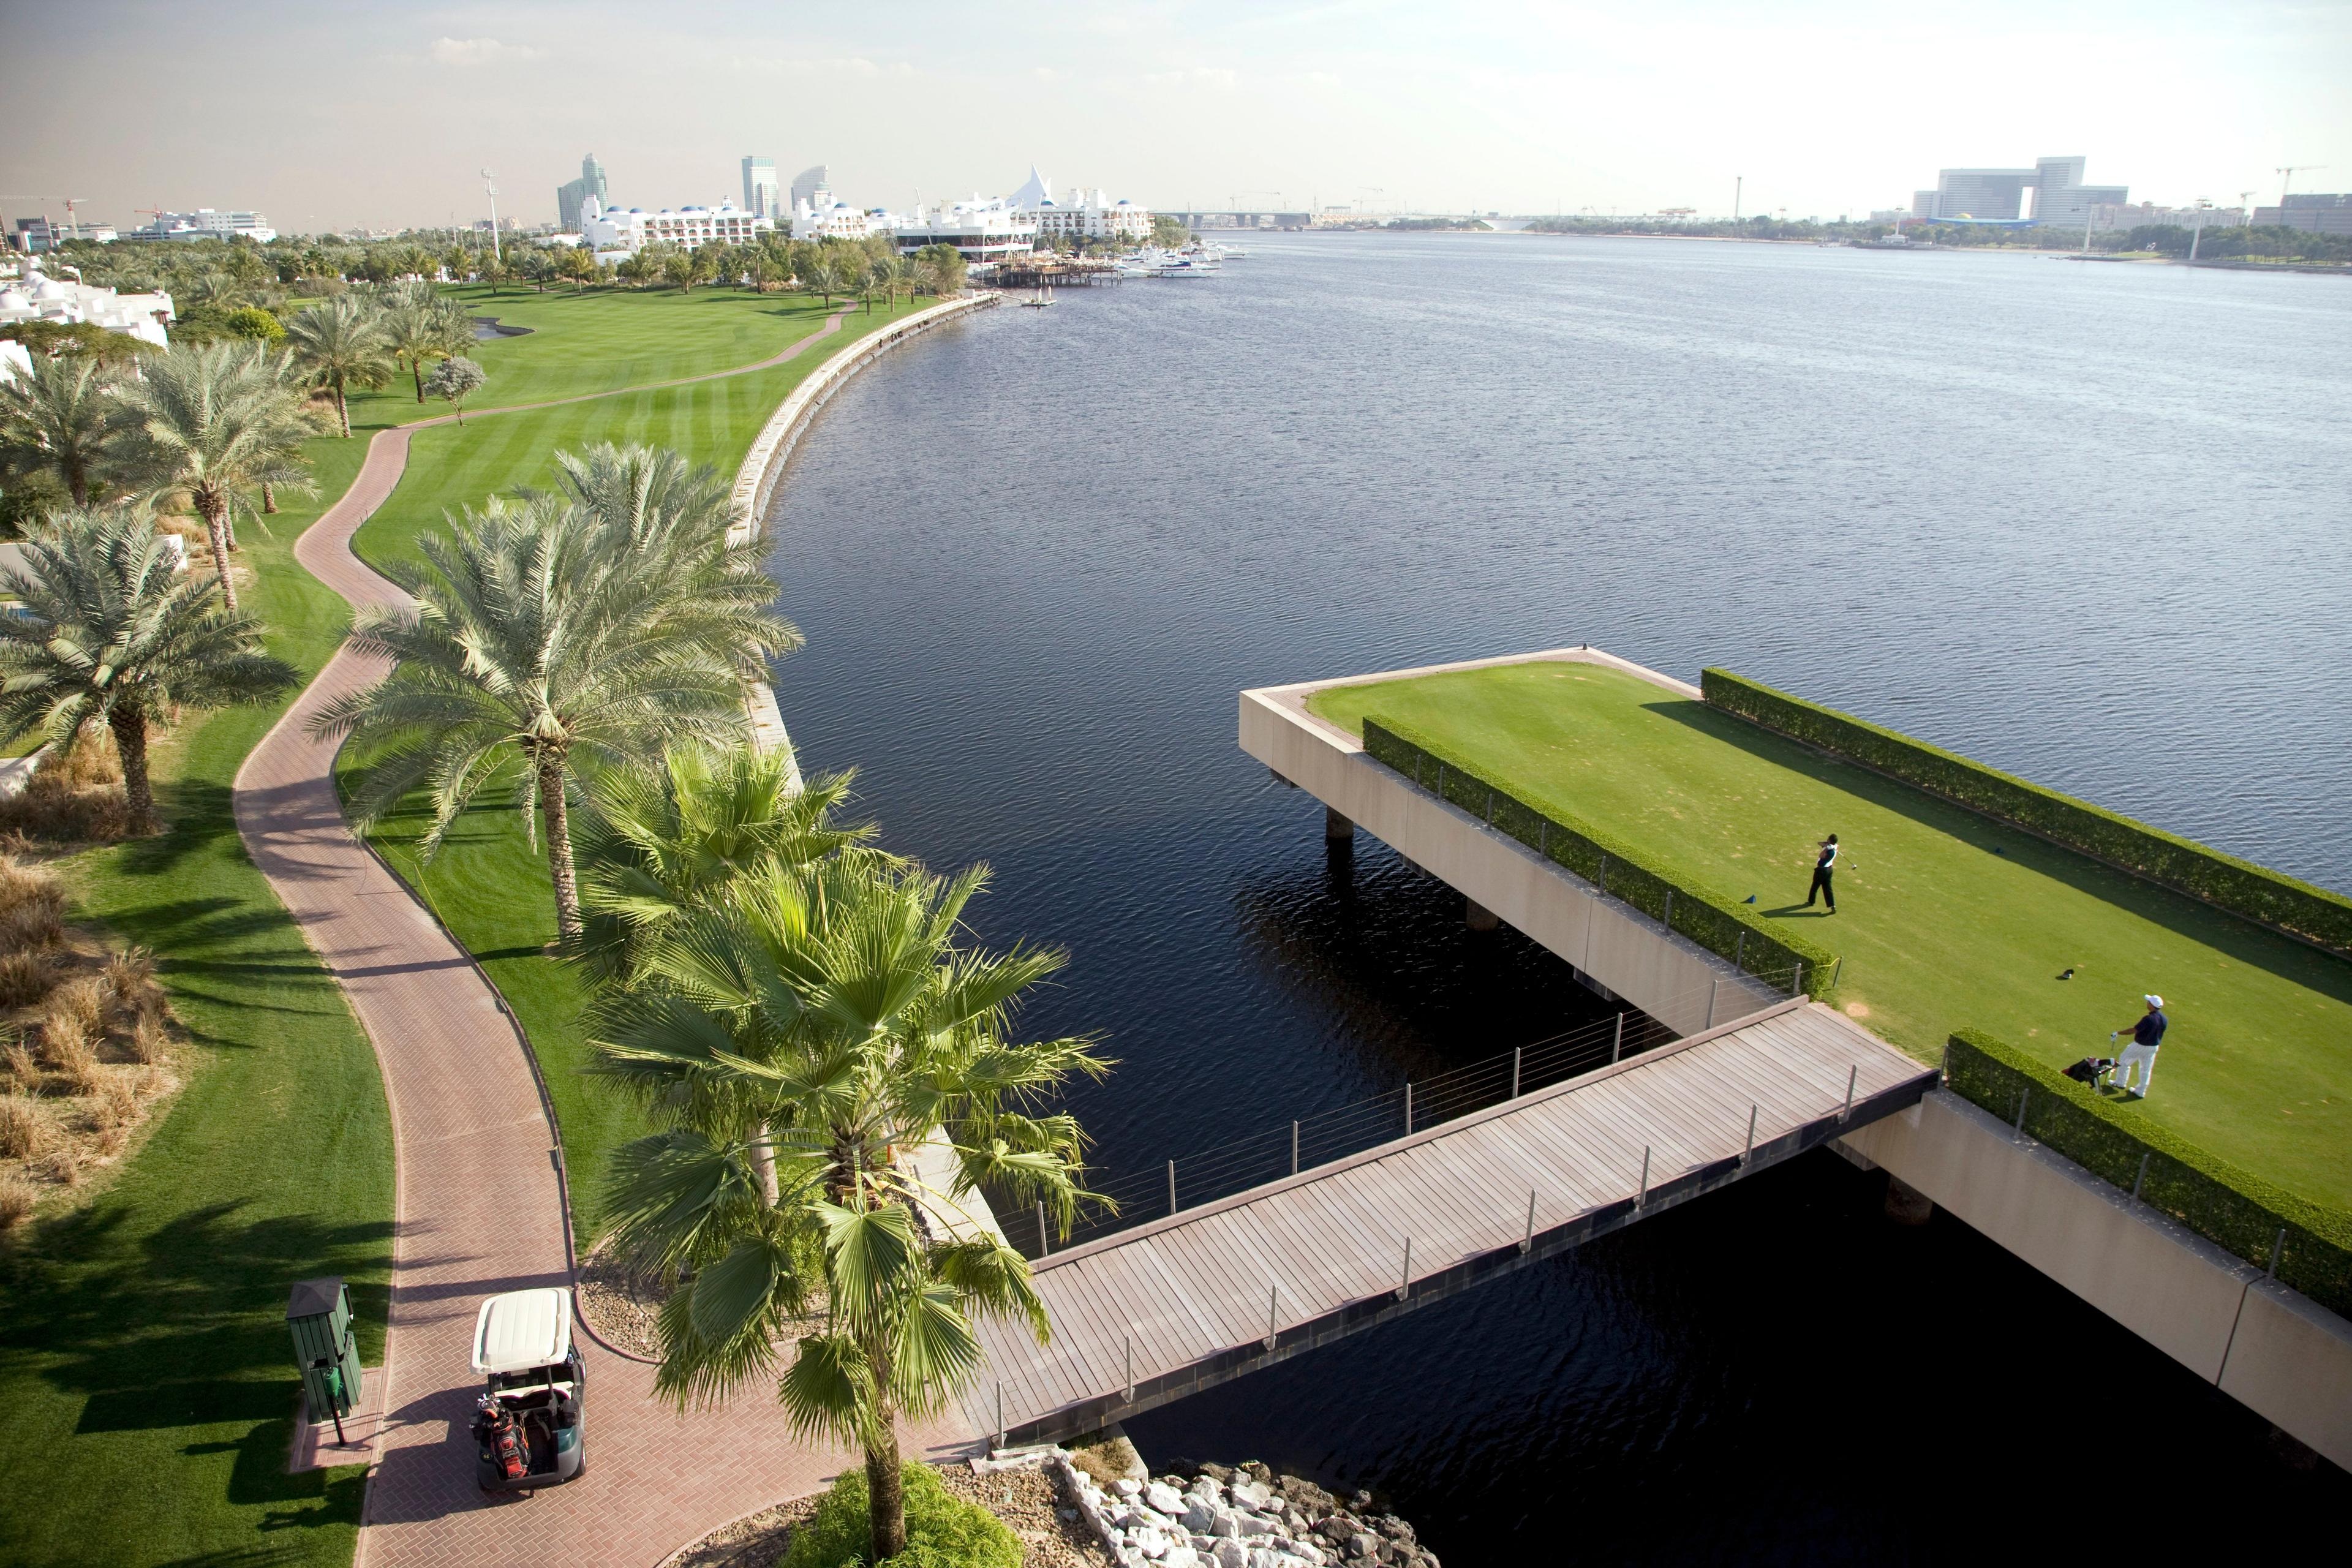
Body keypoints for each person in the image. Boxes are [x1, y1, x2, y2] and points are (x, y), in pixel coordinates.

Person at [2109, 995, 2168, 1097]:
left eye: (2149, 1002)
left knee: (2124, 1060)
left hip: (2140, 1045)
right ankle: (2141, 1091)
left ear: (2152, 1005)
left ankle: (2120, 1083)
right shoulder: (2164, 1019)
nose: (2147, 1003)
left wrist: (2118, 1033)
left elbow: (2133, 1030)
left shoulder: (2148, 1019)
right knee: (2146, 1069)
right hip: (2153, 1047)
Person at [1803, 834, 1839, 912]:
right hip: (1829, 870)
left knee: (1815, 886)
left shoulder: (1831, 852)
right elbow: (1819, 843)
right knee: (1828, 888)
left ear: (1830, 840)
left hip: (1822, 870)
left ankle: (1811, 902)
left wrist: (1826, 849)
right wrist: (1827, 845)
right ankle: (1832, 906)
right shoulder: (1832, 848)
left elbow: (1821, 856)